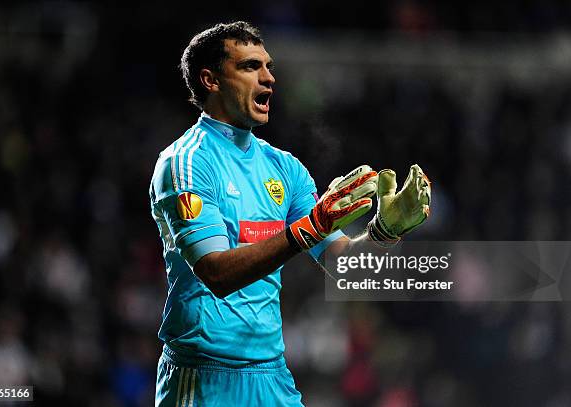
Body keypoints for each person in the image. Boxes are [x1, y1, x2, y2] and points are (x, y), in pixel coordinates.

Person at [149, 21, 431, 406]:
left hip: (272, 377)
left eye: (269, 67)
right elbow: (216, 272)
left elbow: (343, 266)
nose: (268, 78)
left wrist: (383, 234)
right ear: (210, 80)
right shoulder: (186, 163)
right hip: (203, 379)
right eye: (250, 67)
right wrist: (309, 229)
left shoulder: (285, 169)